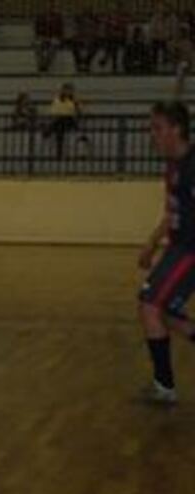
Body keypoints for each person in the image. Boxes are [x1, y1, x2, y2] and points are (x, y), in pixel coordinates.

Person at [137, 101, 195, 404]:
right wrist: (152, 242)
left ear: (177, 129)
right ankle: (164, 386)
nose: (153, 135)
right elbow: (171, 211)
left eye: (157, 128)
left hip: (191, 250)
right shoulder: (173, 164)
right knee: (163, 311)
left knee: (149, 306)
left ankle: (164, 387)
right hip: (178, 247)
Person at [43, 82, 85, 160]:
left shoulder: (74, 101)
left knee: (61, 121)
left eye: (69, 90)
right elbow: (53, 111)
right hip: (59, 120)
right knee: (59, 125)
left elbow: (79, 112)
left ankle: (49, 130)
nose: (67, 92)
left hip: (70, 120)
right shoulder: (57, 100)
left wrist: (76, 106)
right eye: (65, 90)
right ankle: (59, 152)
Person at [34, 3, 64, 73]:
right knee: (37, 44)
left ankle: (46, 64)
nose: (48, 9)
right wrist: (41, 36)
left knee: (53, 44)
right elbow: (37, 29)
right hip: (43, 37)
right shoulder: (40, 17)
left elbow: (60, 30)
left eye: (50, 7)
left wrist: (58, 37)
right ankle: (41, 62)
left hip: (54, 37)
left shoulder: (58, 17)